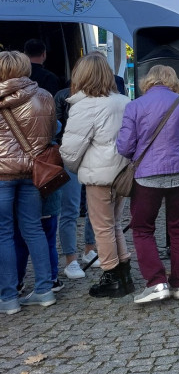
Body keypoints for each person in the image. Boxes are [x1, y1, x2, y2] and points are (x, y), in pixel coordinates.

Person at [116, 65, 179, 303]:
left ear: (148, 82)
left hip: (147, 175)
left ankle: (156, 283)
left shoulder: (134, 106)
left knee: (143, 229)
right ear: (173, 81)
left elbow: (124, 147)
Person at [60, 54, 134, 298]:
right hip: (122, 173)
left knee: (102, 227)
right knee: (114, 224)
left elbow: (70, 151)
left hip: (98, 175)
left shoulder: (84, 106)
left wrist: (76, 168)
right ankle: (124, 274)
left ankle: (111, 276)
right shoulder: (124, 101)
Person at [0, 51, 58, 313]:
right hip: (34, 172)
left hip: (2, 175)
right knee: (34, 230)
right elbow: (49, 134)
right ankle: (45, 290)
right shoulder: (44, 96)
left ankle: (9, 298)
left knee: (4, 234)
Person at [53, 83, 97, 279]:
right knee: (70, 209)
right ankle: (70, 260)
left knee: (93, 207)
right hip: (68, 155)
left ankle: (90, 250)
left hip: (92, 154)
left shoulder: (100, 97)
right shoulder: (63, 96)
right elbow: (56, 127)